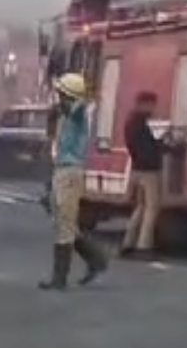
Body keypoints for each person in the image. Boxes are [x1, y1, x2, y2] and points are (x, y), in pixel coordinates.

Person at [40, 72, 109, 290]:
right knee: (63, 221)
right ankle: (96, 259)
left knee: (65, 224)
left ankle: (60, 277)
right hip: (61, 170)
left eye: (61, 93)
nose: (58, 97)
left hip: (71, 171)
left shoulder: (78, 113)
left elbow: (78, 105)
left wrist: (63, 106)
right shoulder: (65, 117)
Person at [119, 90, 168, 260]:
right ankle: (144, 246)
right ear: (144, 104)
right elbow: (150, 147)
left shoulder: (131, 122)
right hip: (149, 171)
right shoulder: (141, 123)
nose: (154, 108)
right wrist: (163, 145)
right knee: (151, 208)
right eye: (152, 104)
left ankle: (128, 243)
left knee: (140, 206)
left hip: (136, 169)